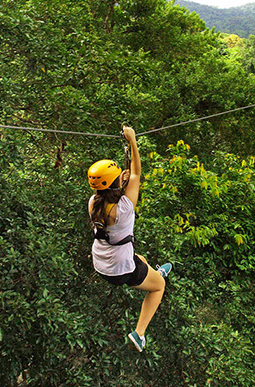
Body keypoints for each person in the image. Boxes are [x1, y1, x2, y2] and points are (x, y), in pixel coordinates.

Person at [87, 126, 172, 352]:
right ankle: (140, 333)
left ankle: (153, 272)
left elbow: (116, 188)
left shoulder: (93, 202)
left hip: (101, 261)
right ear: (116, 183)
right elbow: (136, 173)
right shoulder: (124, 208)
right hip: (119, 269)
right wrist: (133, 141)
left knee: (139, 258)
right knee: (158, 287)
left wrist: (120, 182)